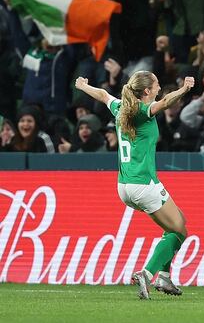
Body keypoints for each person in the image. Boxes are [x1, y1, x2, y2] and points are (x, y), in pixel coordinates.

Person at [74, 71, 195, 299]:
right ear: (147, 91)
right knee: (180, 231)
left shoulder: (121, 108)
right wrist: (184, 89)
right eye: (157, 84)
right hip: (144, 184)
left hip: (124, 186)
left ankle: (165, 278)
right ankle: (148, 274)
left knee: (176, 224)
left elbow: (102, 94)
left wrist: (83, 87)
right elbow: (166, 102)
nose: (159, 88)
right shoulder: (141, 111)